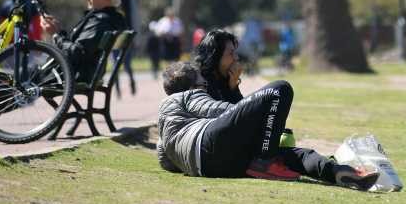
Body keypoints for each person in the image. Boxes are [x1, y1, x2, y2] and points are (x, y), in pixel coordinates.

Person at [157, 61, 379, 190]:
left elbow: (166, 162)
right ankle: (265, 161)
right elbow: (221, 111)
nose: (205, 85)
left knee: (294, 154)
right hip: (209, 145)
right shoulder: (186, 96)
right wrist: (260, 117)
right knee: (279, 88)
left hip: (215, 165)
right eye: (201, 82)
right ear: (192, 86)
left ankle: (341, 172)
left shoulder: (164, 128)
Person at [40, 0, 127, 83]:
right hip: (88, 73)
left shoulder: (100, 22)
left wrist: (56, 35)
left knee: (23, 77)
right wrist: (59, 31)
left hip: (73, 75)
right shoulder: (113, 19)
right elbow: (81, 49)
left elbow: (77, 54)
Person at [194, 29, 245, 104]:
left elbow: (243, 110)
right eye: (231, 53)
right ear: (215, 57)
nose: (236, 58)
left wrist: (233, 86)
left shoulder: (224, 79)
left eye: (235, 52)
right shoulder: (200, 84)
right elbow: (226, 112)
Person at [114, 0, 137, 95]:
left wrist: (134, 35)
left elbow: (133, 18)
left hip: (126, 35)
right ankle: (116, 89)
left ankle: (132, 82)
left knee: (127, 64)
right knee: (115, 65)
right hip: (114, 37)